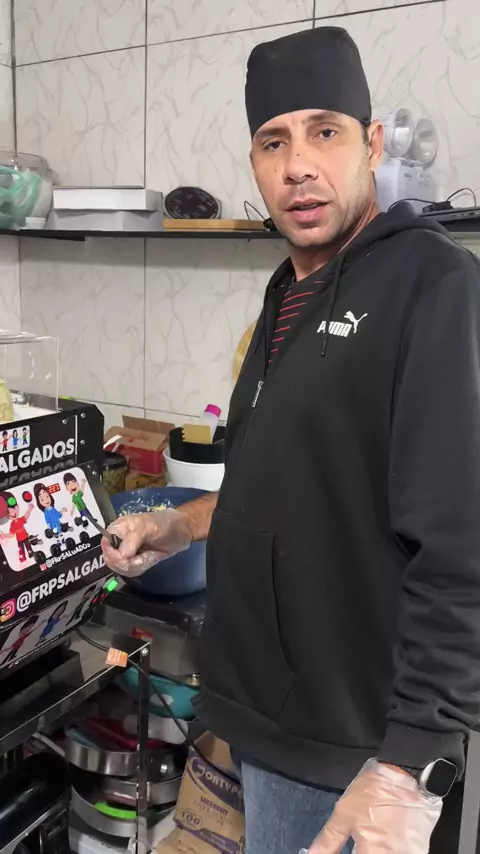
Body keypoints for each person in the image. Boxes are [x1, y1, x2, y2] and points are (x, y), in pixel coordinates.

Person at [102, 26, 480, 854]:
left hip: (356, 753)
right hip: (267, 720)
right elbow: (284, 479)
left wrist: (410, 761)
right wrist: (179, 525)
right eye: (274, 142)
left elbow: (463, 541)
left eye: (325, 132)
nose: (298, 165)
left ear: (371, 145)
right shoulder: (287, 293)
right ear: (253, 162)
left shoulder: (433, 285)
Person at [0, 492, 35, 564]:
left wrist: (29, 510)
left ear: (17, 507)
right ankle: (22, 558)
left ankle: (31, 553)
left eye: (14, 509)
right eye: (9, 512)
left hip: (25, 537)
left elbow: (25, 517)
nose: (13, 513)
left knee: (28, 546)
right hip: (19, 539)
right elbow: (12, 534)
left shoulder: (20, 520)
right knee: (21, 549)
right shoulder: (12, 525)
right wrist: (4, 535)